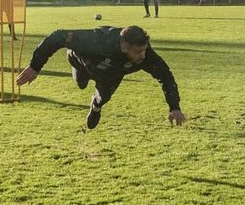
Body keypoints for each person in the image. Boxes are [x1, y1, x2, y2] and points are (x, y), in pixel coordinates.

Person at [15, 25, 185, 130]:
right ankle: (81, 74)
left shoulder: (146, 55)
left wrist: (174, 107)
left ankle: (95, 107)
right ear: (124, 46)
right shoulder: (99, 40)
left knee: (103, 98)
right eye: (138, 52)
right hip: (82, 62)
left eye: (145, 50)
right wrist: (35, 66)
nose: (143, 55)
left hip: (110, 75)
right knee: (81, 83)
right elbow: (58, 36)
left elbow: (165, 76)